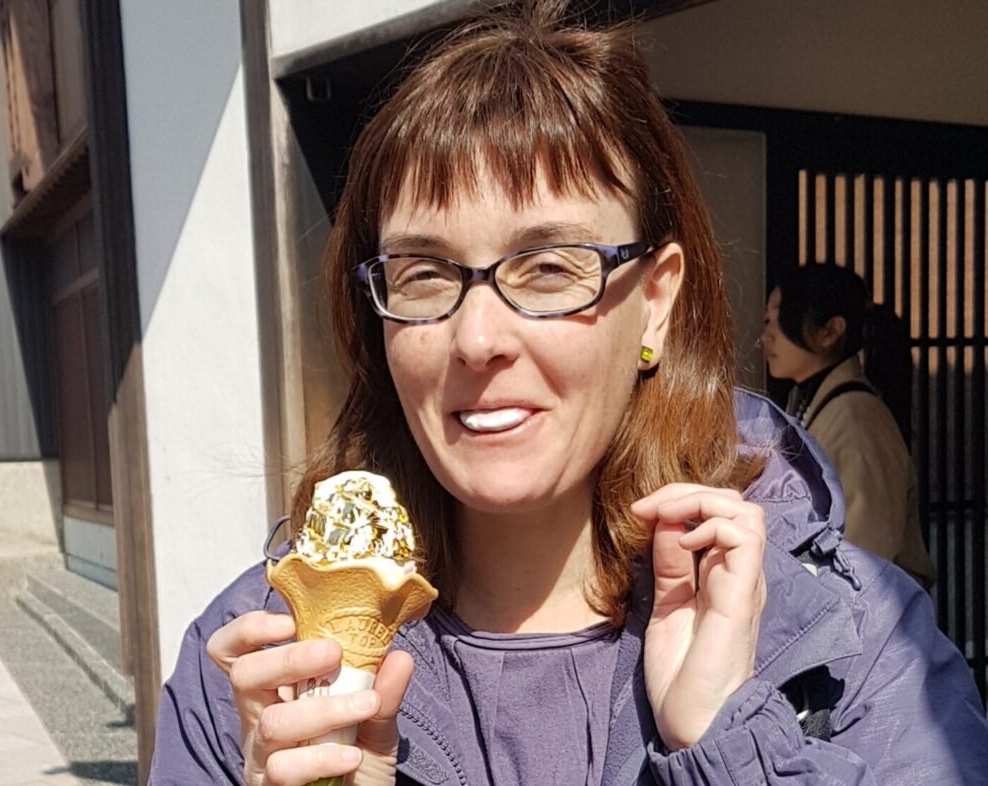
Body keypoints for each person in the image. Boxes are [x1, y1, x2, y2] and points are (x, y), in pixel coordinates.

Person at [149, 4, 987, 784]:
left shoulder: (856, 652)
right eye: (425, 273)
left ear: (656, 300)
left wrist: (732, 749)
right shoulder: (252, 679)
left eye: (550, 268)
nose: (477, 339)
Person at [762, 264, 935, 589]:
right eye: (767, 321)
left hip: (870, 617)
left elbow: (866, 551)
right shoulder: (812, 399)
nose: (766, 335)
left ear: (830, 331)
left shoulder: (858, 420)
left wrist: (791, 577)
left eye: (780, 319)